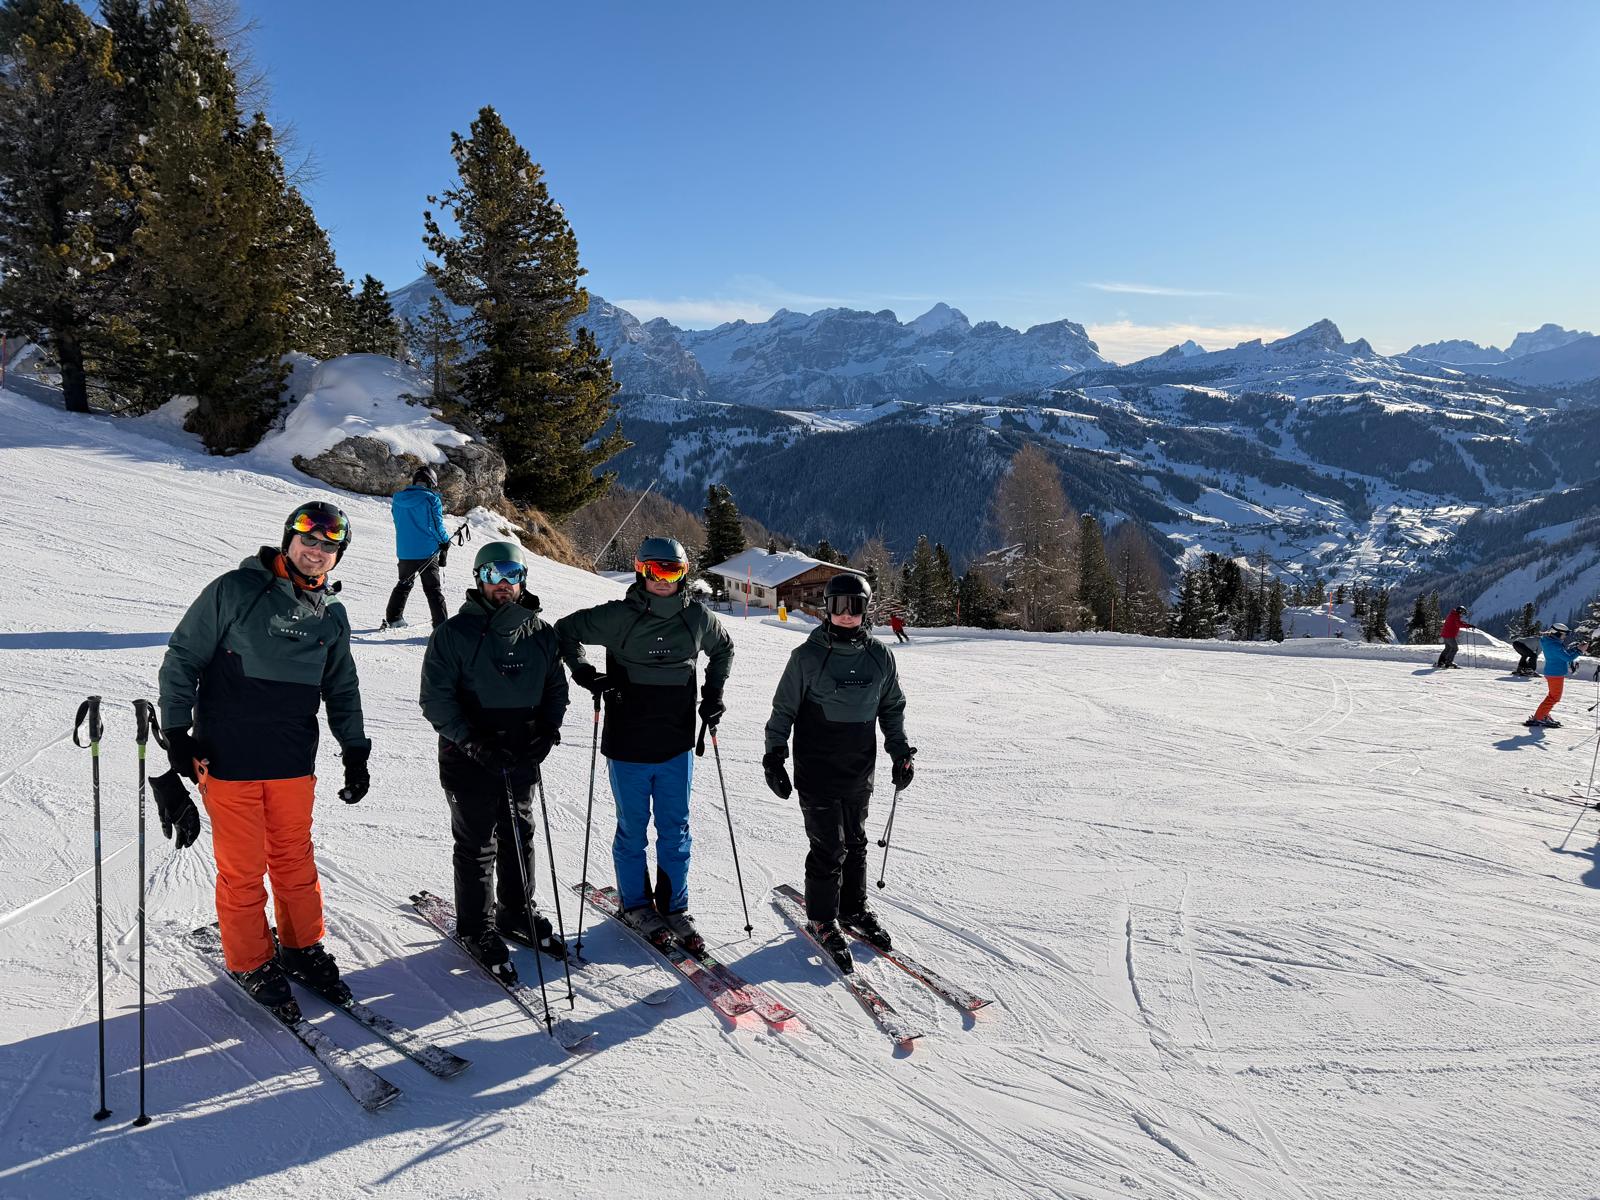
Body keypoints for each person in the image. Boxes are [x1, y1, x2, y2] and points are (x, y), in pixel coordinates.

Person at [158, 502, 371, 1009]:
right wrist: (176, 731)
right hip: (228, 758)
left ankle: (301, 946)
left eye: (329, 546)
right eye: (308, 540)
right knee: (243, 868)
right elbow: (183, 657)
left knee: (295, 859)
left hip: (293, 760)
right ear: (287, 540)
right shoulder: (235, 590)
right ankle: (250, 960)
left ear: (338, 556)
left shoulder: (332, 616)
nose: (316, 552)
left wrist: (355, 750)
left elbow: (342, 688)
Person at [555, 536, 734, 953]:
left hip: (676, 744)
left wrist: (713, 694)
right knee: (633, 829)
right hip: (628, 744)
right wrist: (583, 672)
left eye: (672, 571)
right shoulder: (618, 617)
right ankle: (635, 904)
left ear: (684, 574)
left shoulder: (696, 618)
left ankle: (675, 907)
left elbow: (723, 648)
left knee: (676, 829)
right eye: (654, 571)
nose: (663, 580)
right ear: (640, 571)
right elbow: (565, 632)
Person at [419, 539, 568, 980]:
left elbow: (555, 688)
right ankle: (476, 927)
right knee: (477, 842)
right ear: (479, 579)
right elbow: (435, 700)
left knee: (519, 833)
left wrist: (547, 729)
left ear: (523, 580)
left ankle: (516, 912)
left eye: (511, 574)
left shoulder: (541, 634)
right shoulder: (453, 634)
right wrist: (472, 742)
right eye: (492, 574)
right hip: (469, 756)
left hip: (520, 751)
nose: (502, 583)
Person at [762, 573, 916, 974]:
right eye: (839, 606)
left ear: (866, 610)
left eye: (855, 607)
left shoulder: (879, 656)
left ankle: (852, 909)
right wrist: (774, 755)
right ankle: (822, 918)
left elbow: (892, 708)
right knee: (829, 846)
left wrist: (900, 752)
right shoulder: (807, 657)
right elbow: (783, 709)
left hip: (858, 766)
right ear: (827, 609)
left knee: (857, 842)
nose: (847, 615)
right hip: (817, 765)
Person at [382, 466, 452, 630]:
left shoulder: (398, 499)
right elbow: (436, 526)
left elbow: (399, 522)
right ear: (431, 483)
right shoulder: (431, 499)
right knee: (433, 590)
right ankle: (441, 628)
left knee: (403, 584)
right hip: (426, 552)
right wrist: (445, 541)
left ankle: (394, 619)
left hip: (405, 551)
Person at [1524, 623, 1589, 728]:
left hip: (1553, 672)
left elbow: (1564, 654)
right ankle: (1539, 717)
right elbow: (1567, 658)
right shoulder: (1554, 645)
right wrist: (1579, 651)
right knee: (1554, 697)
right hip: (1555, 674)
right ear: (1557, 634)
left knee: (1552, 696)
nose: (1565, 636)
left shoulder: (1551, 642)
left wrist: (1577, 648)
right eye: (1564, 634)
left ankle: (1542, 714)